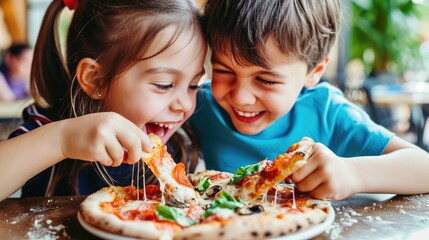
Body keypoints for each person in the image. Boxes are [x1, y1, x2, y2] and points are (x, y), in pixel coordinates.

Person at [190, 0, 429, 200]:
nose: (240, 97)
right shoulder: (200, 105)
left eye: (266, 80)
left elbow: (423, 168)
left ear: (314, 71)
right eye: (223, 71)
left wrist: (354, 173)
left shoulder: (327, 112)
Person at [1, 0, 206, 200]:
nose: (185, 104)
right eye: (164, 84)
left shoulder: (179, 145)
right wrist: (62, 140)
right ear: (95, 80)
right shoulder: (47, 127)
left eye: (193, 85)